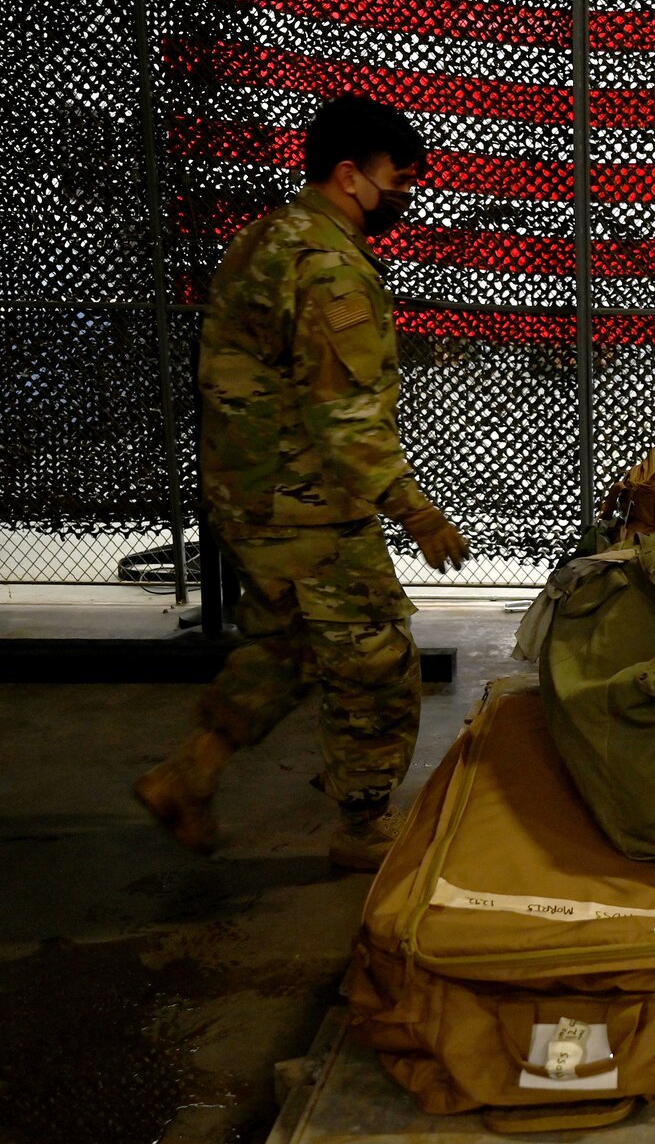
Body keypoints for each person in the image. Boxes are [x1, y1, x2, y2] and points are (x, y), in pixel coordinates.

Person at [134, 94, 469, 870]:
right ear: (349, 175)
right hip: (305, 505)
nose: (406, 196)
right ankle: (363, 828)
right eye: (399, 179)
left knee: (286, 648)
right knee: (377, 660)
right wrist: (415, 511)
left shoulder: (268, 237)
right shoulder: (328, 265)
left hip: (253, 494)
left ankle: (189, 775)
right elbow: (343, 415)